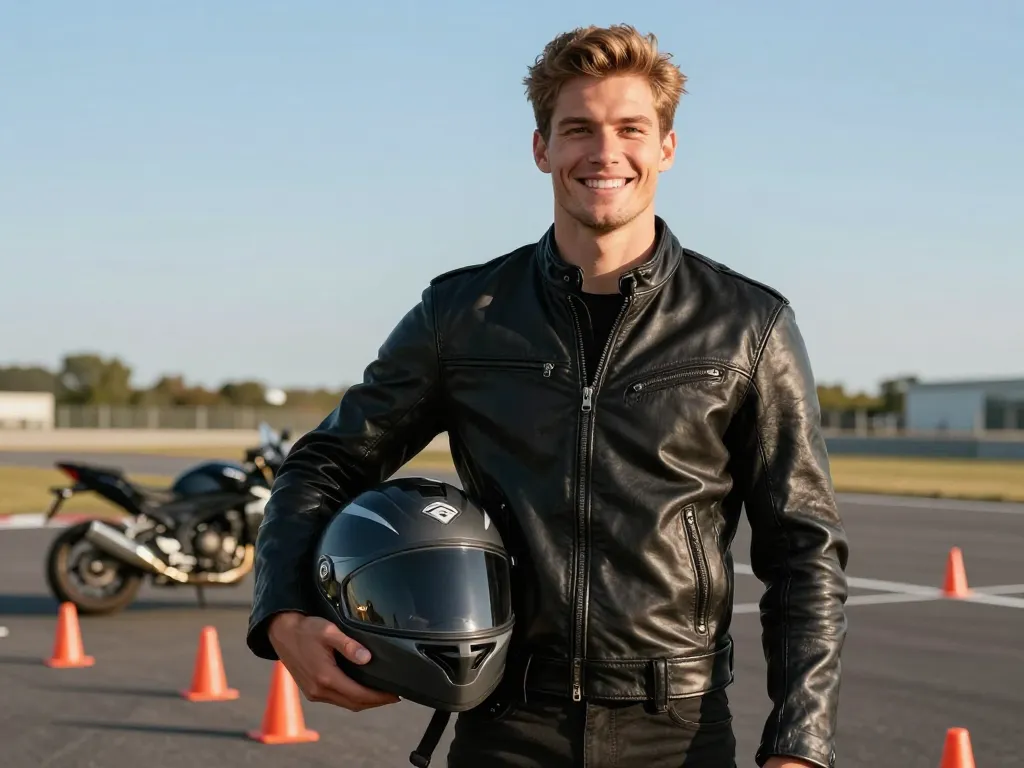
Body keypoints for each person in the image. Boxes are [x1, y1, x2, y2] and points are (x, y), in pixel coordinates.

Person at [246, 23, 849, 768]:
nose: (605, 153)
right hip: (507, 728)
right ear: (542, 150)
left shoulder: (748, 326)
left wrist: (800, 746)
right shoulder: (463, 315)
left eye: (631, 128)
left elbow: (804, 550)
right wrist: (283, 613)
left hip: (678, 733)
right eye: (578, 130)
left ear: (666, 146)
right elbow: (326, 462)